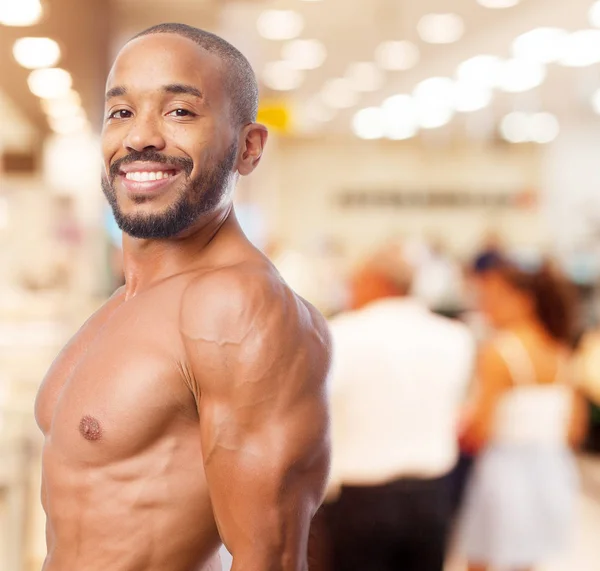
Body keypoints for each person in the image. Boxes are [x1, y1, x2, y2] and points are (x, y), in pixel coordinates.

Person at [34, 23, 331, 571]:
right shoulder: (127, 302)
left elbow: (270, 557)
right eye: (120, 112)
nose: (140, 137)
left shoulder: (236, 305)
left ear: (248, 147)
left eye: (179, 112)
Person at [324, 245, 475, 571]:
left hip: (360, 499)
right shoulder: (455, 336)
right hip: (432, 495)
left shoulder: (341, 335)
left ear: (378, 283)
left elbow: (318, 413)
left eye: (355, 282)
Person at [458, 253, 587, 571]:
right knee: (526, 562)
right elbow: (574, 429)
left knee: (482, 558)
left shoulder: (500, 352)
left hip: (504, 472)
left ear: (523, 300)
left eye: (493, 298)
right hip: (553, 470)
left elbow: (481, 428)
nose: (485, 306)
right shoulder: (559, 349)